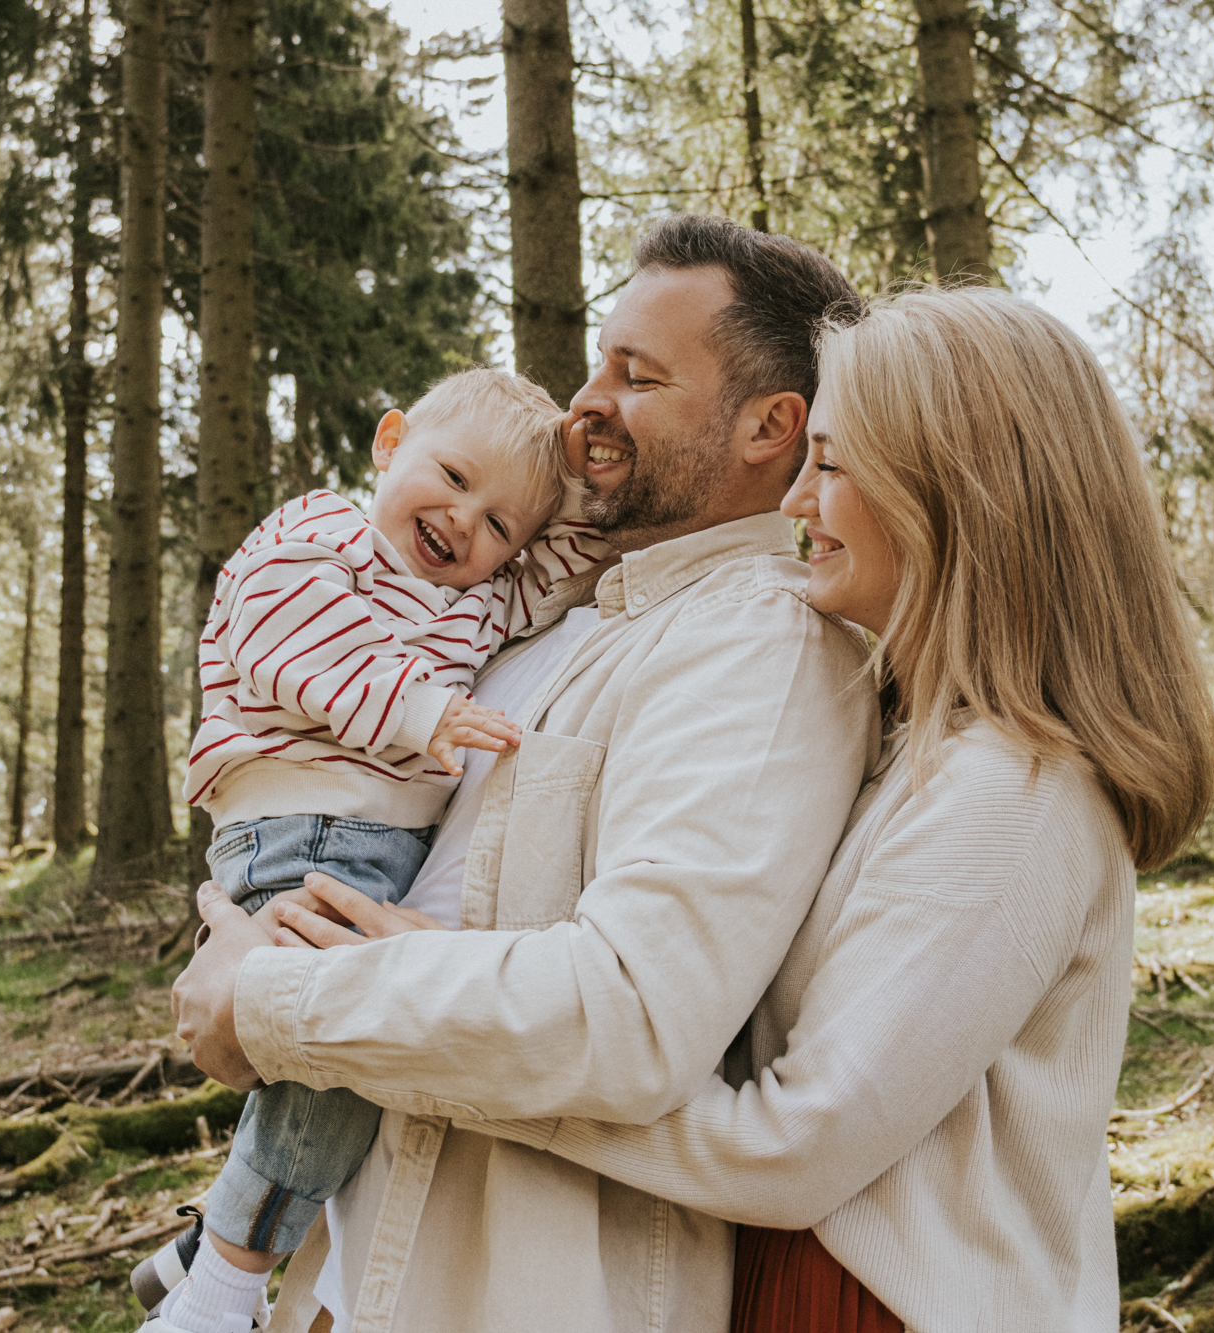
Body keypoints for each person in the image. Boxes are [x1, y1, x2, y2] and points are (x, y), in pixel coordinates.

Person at [252, 285, 1214, 1331]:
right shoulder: (920, 746)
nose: (797, 501)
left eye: (832, 465)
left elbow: (791, 1144)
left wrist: (421, 1043)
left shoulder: (1014, 791)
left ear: (956, 492)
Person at [171, 214, 881, 1332]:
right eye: (598, 363)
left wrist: (268, 1000)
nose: (584, 404)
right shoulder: (557, 615)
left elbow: (631, 1016)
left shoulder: (759, 645)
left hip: (513, 1293)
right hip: (358, 1277)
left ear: (768, 425)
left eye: (637, 376)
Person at [140, 368, 614, 1333]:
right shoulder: (323, 535)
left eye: (498, 523)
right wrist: (420, 710)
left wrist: (578, 472)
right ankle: (219, 1291)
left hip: (370, 840)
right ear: (390, 442)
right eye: (453, 476)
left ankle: (192, 1259)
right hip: (303, 819)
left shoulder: (480, 597)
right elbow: (288, 642)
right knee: (345, 1053)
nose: (463, 521)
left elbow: (576, 555)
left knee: (356, 1048)